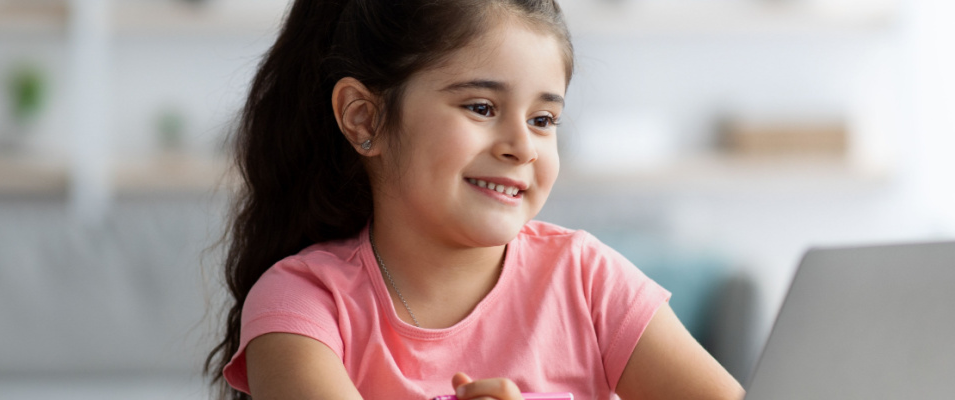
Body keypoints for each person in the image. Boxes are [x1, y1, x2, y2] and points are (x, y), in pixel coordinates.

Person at [204, 1, 745, 399]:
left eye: (542, 119)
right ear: (364, 118)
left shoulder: (589, 279)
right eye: (482, 107)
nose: (521, 147)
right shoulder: (301, 304)